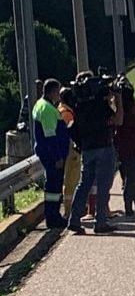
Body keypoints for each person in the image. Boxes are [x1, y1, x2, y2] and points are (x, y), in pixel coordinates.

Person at [67, 74, 124, 235]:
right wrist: (117, 97)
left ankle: (74, 220)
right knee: (103, 186)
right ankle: (100, 222)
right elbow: (118, 120)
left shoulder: (79, 105)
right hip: (104, 147)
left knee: (84, 184)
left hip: (87, 149)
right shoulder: (101, 105)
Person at [31, 79, 69, 229]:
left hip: (47, 152)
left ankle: (53, 214)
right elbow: (51, 137)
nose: (59, 96)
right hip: (52, 155)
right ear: (53, 92)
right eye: (57, 92)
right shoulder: (47, 109)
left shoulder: (40, 104)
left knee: (53, 185)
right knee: (54, 186)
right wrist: (58, 157)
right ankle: (53, 217)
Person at [114, 85, 135, 218]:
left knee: (134, 177)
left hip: (125, 146)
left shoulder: (118, 107)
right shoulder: (124, 109)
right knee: (133, 178)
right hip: (131, 145)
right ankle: (131, 207)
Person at [57, 86, 81, 216]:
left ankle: (70, 210)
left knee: (70, 182)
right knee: (72, 181)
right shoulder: (66, 113)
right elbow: (71, 132)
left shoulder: (60, 110)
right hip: (71, 151)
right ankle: (69, 212)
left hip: (66, 151)